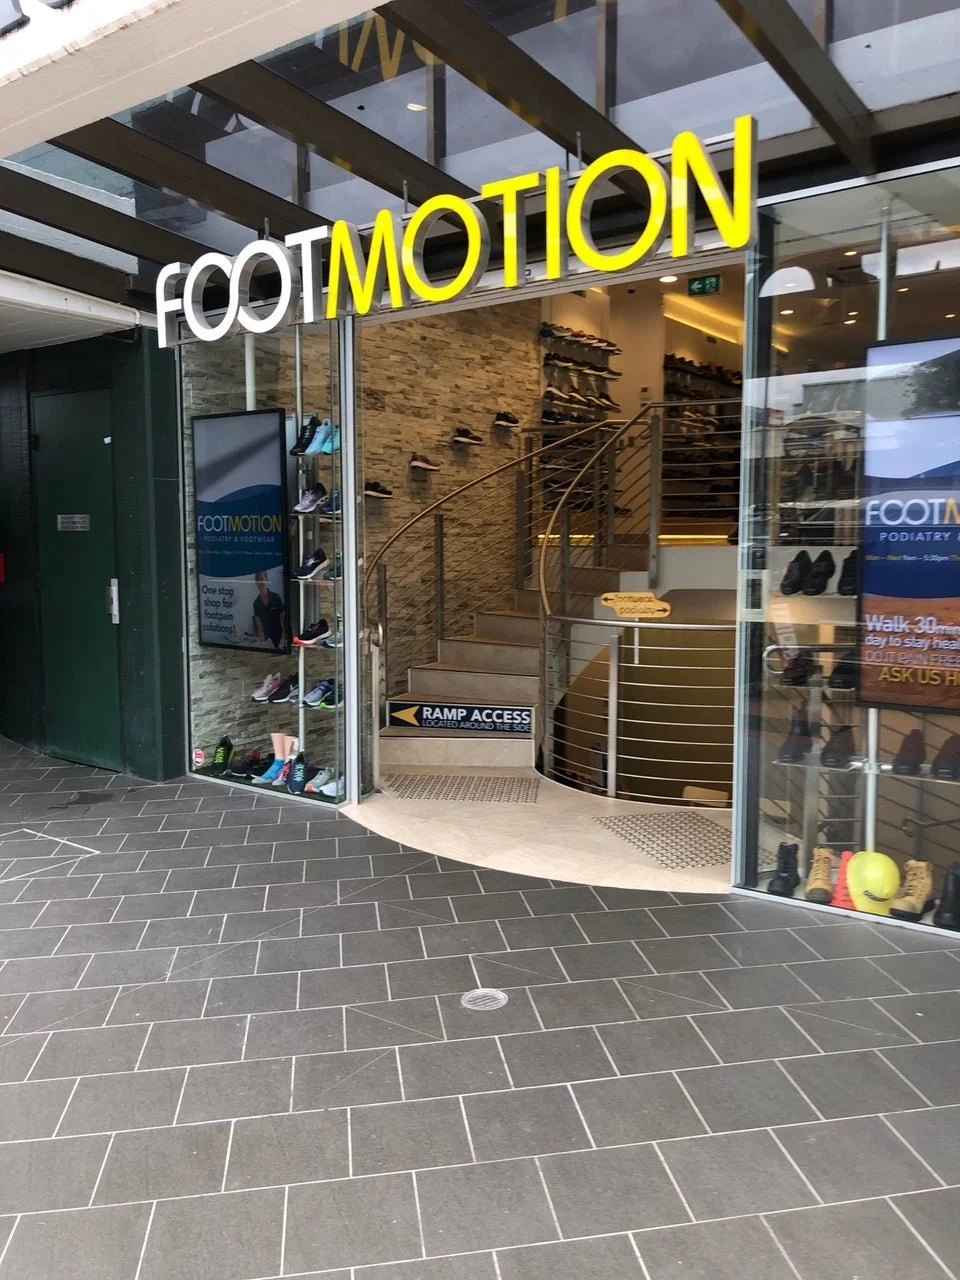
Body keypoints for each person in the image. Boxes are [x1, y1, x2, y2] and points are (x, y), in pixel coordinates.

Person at [252, 571, 286, 649]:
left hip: (279, 638)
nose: (261, 582)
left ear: (266, 580)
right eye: (258, 580)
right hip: (267, 641)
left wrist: (282, 641)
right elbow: (259, 626)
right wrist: (262, 644)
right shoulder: (256, 603)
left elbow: (285, 622)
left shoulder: (276, 598)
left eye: (262, 579)